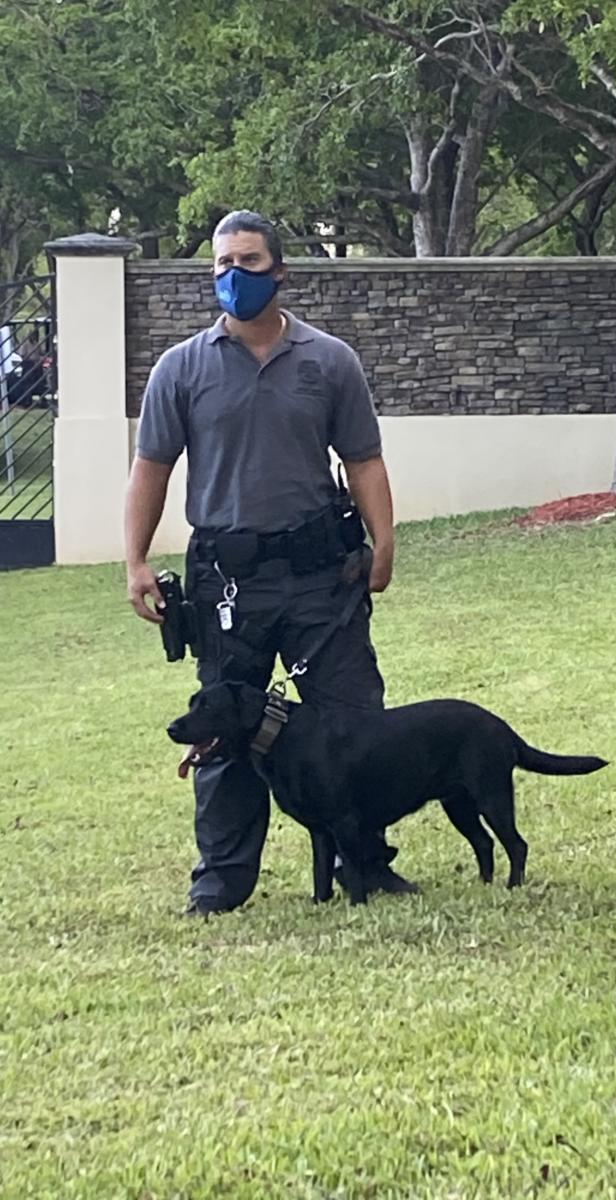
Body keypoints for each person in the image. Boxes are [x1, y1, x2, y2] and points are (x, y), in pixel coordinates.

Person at [125, 209, 418, 915]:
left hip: (322, 576)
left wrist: (383, 542)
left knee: (352, 721)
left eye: (249, 262)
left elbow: (363, 460)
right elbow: (151, 468)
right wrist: (134, 560)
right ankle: (220, 884)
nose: (235, 275)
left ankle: (363, 863)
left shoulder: (330, 361)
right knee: (223, 731)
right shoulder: (180, 368)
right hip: (227, 582)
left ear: (279, 270)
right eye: (223, 264)